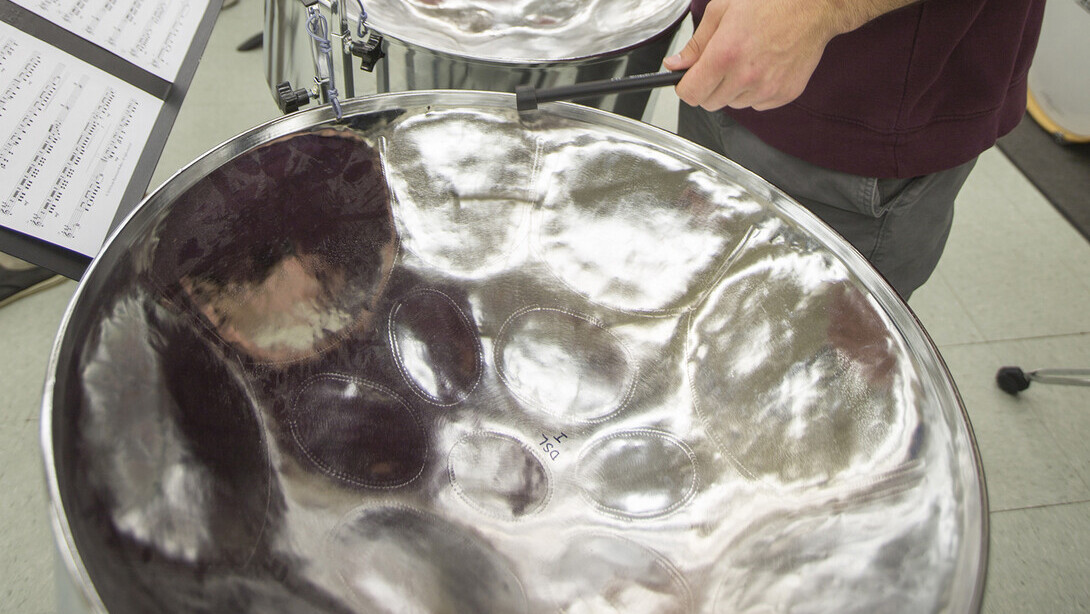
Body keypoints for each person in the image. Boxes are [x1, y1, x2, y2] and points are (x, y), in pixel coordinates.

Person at [664, 0, 1046, 299]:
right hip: (724, 55)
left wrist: (820, 8)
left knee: (804, 369)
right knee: (694, 294)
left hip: (861, 122)